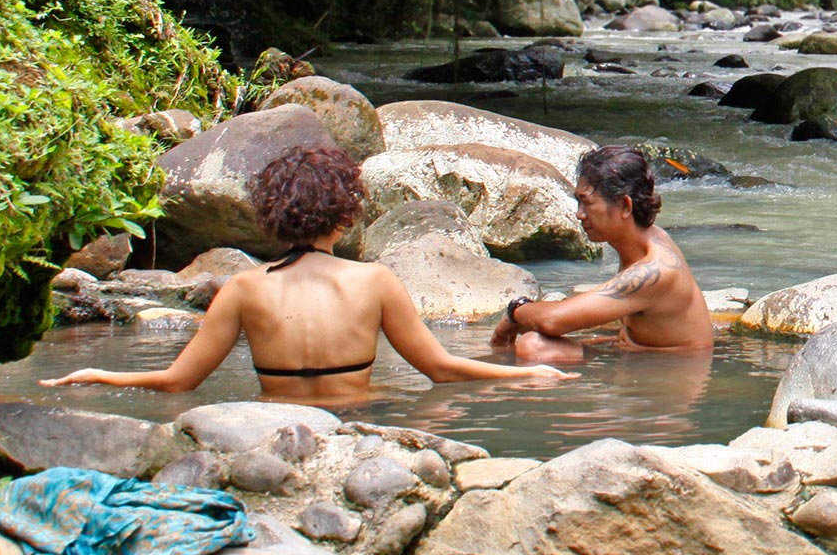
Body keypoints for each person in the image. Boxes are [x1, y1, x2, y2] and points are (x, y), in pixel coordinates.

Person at [41, 145, 574, 398]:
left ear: (273, 216)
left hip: (278, 425)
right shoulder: (375, 281)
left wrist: (99, 372)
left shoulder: (243, 288)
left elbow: (178, 380)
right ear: (346, 214)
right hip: (358, 423)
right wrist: (526, 372)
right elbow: (441, 369)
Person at [489, 145, 714, 356]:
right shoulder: (649, 239)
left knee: (534, 347)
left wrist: (515, 310)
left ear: (625, 206)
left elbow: (552, 320)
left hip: (669, 376)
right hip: (644, 359)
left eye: (587, 203)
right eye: (578, 202)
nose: (579, 214)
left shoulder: (654, 271)